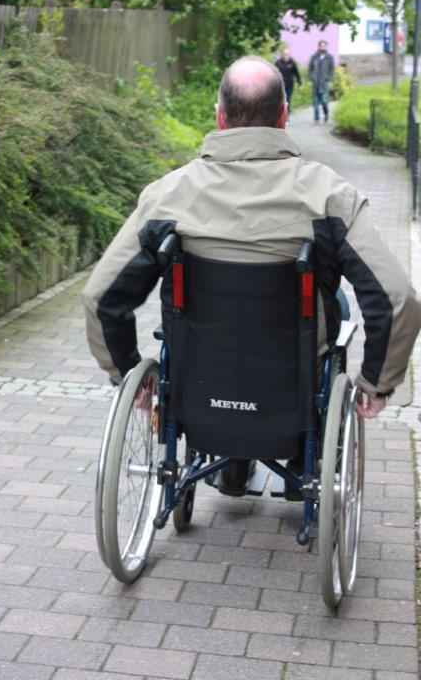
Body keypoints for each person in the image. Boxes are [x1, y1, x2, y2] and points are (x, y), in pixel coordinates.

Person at [83, 55, 421, 498]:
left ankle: (232, 462)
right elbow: (397, 300)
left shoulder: (167, 196)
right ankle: (304, 459)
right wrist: (377, 381)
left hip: (198, 383)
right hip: (290, 384)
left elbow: (101, 297)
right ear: (283, 116)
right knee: (333, 304)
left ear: (220, 117)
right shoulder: (330, 197)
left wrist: (127, 372)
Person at [308, 40, 334, 123]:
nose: (323, 47)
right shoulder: (314, 57)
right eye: (321, 46)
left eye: (324, 46)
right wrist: (312, 77)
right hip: (315, 83)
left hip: (324, 83)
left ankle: (326, 114)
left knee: (324, 101)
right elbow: (310, 69)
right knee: (315, 103)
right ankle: (316, 118)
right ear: (318, 47)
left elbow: (331, 69)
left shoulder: (329, 57)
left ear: (326, 47)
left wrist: (328, 78)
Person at [275, 47, 302, 114]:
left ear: (289, 55)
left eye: (287, 54)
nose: (286, 55)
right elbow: (273, 72)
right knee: (281, 100)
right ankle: (280, 115)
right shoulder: (278, 63)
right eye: (284, 54)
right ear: (282, 55)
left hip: (290, 85)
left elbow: (297, 74)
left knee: (287, 100)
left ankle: (286, 115)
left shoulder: (292, 63)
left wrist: (300, 84)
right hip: (280, 85)